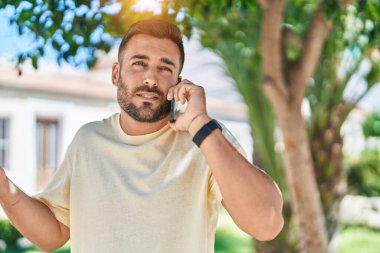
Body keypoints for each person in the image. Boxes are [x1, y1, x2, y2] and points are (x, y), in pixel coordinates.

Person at [0, 19, 283, 252]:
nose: (150, 78)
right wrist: (3, 185)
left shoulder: (206, 140)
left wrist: (200, 125)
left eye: (165, 68)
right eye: (139, 63)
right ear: (115, 73)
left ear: (178, 82)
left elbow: (266, 224)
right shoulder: (87, 141)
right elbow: (55, 234)